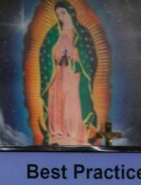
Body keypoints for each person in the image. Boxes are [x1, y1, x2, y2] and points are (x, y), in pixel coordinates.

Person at [38, 0, 99, 145]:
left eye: (63, 13)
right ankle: (57, 134)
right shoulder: (54, 33)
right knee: (57, 100)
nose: (61, 17)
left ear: (71, 13)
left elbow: (90, 57)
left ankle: (75, 136)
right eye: (58, 14)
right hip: (57, 74)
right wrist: (54, 57)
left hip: (74, 76)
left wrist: (78, 62)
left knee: (73, 103)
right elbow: (44, 52)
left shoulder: (82, 33)